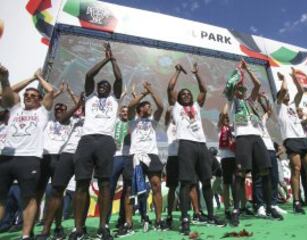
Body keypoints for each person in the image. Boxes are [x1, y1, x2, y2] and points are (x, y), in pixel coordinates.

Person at [70, 43, 122, 240]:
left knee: (105, 183)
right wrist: (105, 59)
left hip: (106, 141)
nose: (103, 86)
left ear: (111, 90)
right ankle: (78, 228)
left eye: (106, 86)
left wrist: (113, 59)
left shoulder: (114, 99)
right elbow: (89, 76)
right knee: (82, 183)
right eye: (101, 85)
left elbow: (119, 78)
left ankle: (104, 226)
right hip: (86, 140)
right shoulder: (90, 98)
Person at [168, 63, 225, 235]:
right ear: (178, 99)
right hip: (185, 144)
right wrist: (178, 71)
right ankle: (185, 219)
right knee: (186, 183)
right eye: (182, 94)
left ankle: (211, 215)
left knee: (206, 181)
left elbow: (203, 90)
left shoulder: (197, 106)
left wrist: (197, 73)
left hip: (201, 145)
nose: (185, 95)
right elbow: (170, 87)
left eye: (188, 94)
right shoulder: (177, 108)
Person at [224, 60, 282, 225]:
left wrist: (248, 69)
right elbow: (229, 85)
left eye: (243, 89)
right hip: (242, 138)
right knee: (240, 173)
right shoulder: (232, 101)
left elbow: (257, 84)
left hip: (257, 138)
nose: (241, 90)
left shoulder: (251, 102)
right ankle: (236, 209)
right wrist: (238, 71)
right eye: (239, 89)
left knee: (265, 172)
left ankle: (270, 206)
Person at [0, 65, 54, 239]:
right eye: (26, 96)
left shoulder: (42, 112)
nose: (29, 97)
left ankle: (25, 235)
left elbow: (51, 91)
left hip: (29, 158)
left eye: (33, 96)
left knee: (29, 198)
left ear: (39, 100)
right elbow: (7, 93)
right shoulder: (15, 109)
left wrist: (39, 78)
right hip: (7, 156)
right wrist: (5, 79)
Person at [35, 88, 85, 240]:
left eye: (63, 108)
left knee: (72, 192)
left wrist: (76, 99)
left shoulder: (76, 121)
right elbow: (64, 113)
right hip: (50, 157)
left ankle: (66, 227)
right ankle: (43, 229)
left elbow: (78, 108)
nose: (60, 111)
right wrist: (74, 102)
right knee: (51, 192)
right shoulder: (52, 122)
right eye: (57, 108)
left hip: (66, 157)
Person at [276, 69, 307, 214]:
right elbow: (284, 88)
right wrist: (284, 78)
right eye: (284, 94)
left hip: (302, 139)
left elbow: (299, 90)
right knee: (296, 170)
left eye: (287, 94)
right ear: (279, 97)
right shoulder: (278, 106)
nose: (287, 94)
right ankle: (297, 202)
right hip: (290, 140)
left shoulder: (292, 106)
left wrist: (294, 77)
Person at [121, 81, 166, 235]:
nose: (150, 108)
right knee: (129, 189)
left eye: (149, 107)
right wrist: (143, 94)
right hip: (135, 156)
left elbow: (161, 106)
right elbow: (132, 105)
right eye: (147, 106)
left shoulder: (153, 121)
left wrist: (151, 89)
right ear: (140, 109)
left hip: (151, 155)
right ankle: (129, 223)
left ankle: (159, 220)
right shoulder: (133, 119)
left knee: (156, 186)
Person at [253, 94, 288, 217]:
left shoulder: (261, 119)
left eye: (257, 108)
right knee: (259, 179)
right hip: (259, 149)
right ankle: (260, 206)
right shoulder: (248, 121)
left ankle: (273, 204)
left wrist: (265, 98)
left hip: (271, 150)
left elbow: (269, 111)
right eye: (255, 108)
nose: (257, 109)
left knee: (273, 178)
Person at [217, 107, 236, 220]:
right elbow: (224, 114)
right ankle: (227, 208)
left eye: (228, 118)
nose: (227, 119)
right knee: (226, 184)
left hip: (235, 157)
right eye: (225, 118)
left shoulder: (233, 129)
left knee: (235, 183)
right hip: (225, 158)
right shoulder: (220, 128)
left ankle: (236, 207)